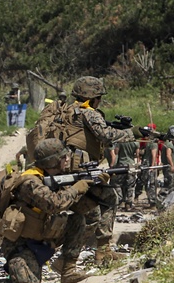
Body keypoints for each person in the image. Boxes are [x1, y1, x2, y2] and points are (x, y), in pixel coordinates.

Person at [0, 139, 95, 283]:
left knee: (76, 220)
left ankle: (68, 271)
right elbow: (54, 204)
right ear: (52, 161)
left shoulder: (52, 177)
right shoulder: (30, 182)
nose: (68, 159)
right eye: (63, 157)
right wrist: (77, 188)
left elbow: (73, 204)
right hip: (21, 246)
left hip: (43, 236)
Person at [57, 76, 137, 267]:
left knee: (109, 197)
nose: (100, 101)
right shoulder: (88, 112)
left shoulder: (69, 110)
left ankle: (103, 251)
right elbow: (105, 134)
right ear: (92, 98)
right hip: (78, 170)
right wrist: (133, 133)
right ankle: (66, 260)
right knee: (91, 213)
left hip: (72, 167)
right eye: (99, 98)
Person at [110, 138, 140, 211]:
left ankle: (120, 200)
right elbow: (137, 155)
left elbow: (116, 153)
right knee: (130, 185)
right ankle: (128, 204)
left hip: (121, 165)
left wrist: (113, 165)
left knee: (117, 183)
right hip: (131, 165)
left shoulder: (120, 142)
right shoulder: (136, 143)